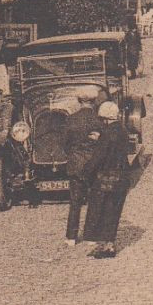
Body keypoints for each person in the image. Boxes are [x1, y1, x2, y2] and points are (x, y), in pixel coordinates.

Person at [82, 101, 133, 258]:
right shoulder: (122, 130)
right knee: (113, 212)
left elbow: (100, 156)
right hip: (121, 178)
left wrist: (86, 171)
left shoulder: (107, 134)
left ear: (104, 118)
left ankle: (105, 246)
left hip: (105, 179)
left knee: (101, 211)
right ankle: (110, 244)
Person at [62, 89, 104, 246]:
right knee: (94, 199)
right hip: (94, 164)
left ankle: (71, 237)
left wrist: (72, 156)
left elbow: (65, 143)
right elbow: (103, 143)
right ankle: (91, 236)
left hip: (76, 163)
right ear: (93, 102)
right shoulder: (98, 120)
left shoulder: (70, 119)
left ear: (79, 101)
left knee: (75, 201)